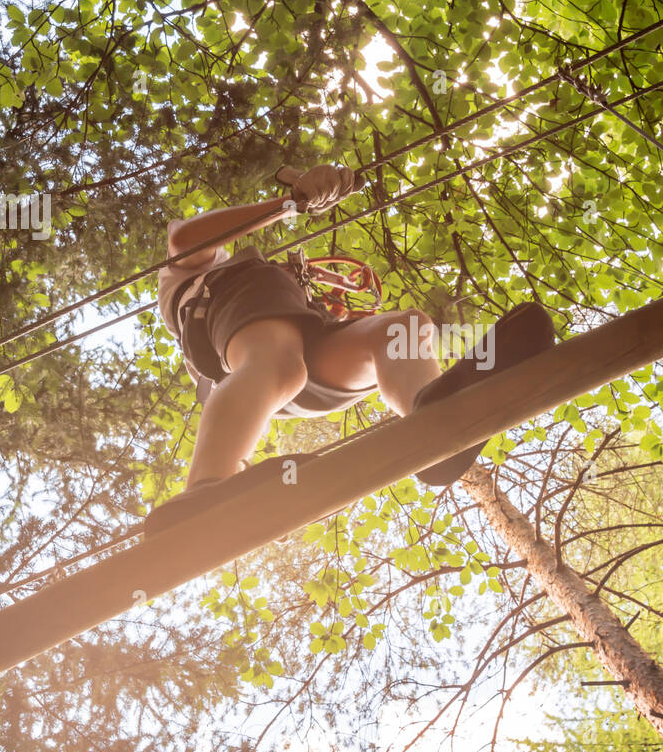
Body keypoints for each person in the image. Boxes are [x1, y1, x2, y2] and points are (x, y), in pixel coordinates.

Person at [145, 163, 554, 535]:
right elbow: (184, 238)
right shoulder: (199, 279)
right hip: (240, 329)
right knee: (280, 365)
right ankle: (206, 489)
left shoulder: (282, 302)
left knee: (404, 328)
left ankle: (433, 422)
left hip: (294, 360)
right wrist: (291, 204)